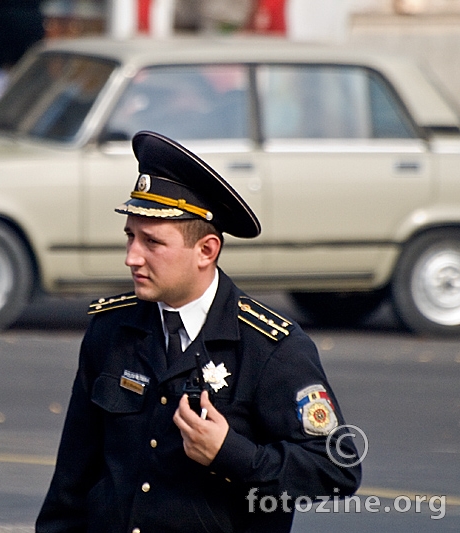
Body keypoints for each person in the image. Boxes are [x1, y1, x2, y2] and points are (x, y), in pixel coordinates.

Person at [36, 131, 361, 533]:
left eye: (152, 242)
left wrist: (232, 454)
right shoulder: (111, 329)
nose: (131, 257)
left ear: (206, 251)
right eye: (130, 237)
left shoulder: (270, 347)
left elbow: (337, 469)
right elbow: (72, 477)